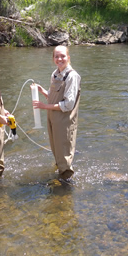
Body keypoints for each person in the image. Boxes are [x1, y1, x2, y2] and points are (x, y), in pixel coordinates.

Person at [32, 46, 81, 180]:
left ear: (68, 58)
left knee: (64, 153)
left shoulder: (72, 76)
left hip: (64, 121)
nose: (60, 59)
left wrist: (45, 106)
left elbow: (68, 104)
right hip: (53, 118)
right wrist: (43, 92)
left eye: (63, 56)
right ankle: (60, 177)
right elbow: (54, 97)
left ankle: (66, 187)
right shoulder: (55, 74)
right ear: (53, 59)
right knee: (56, 150)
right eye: (56, 56)